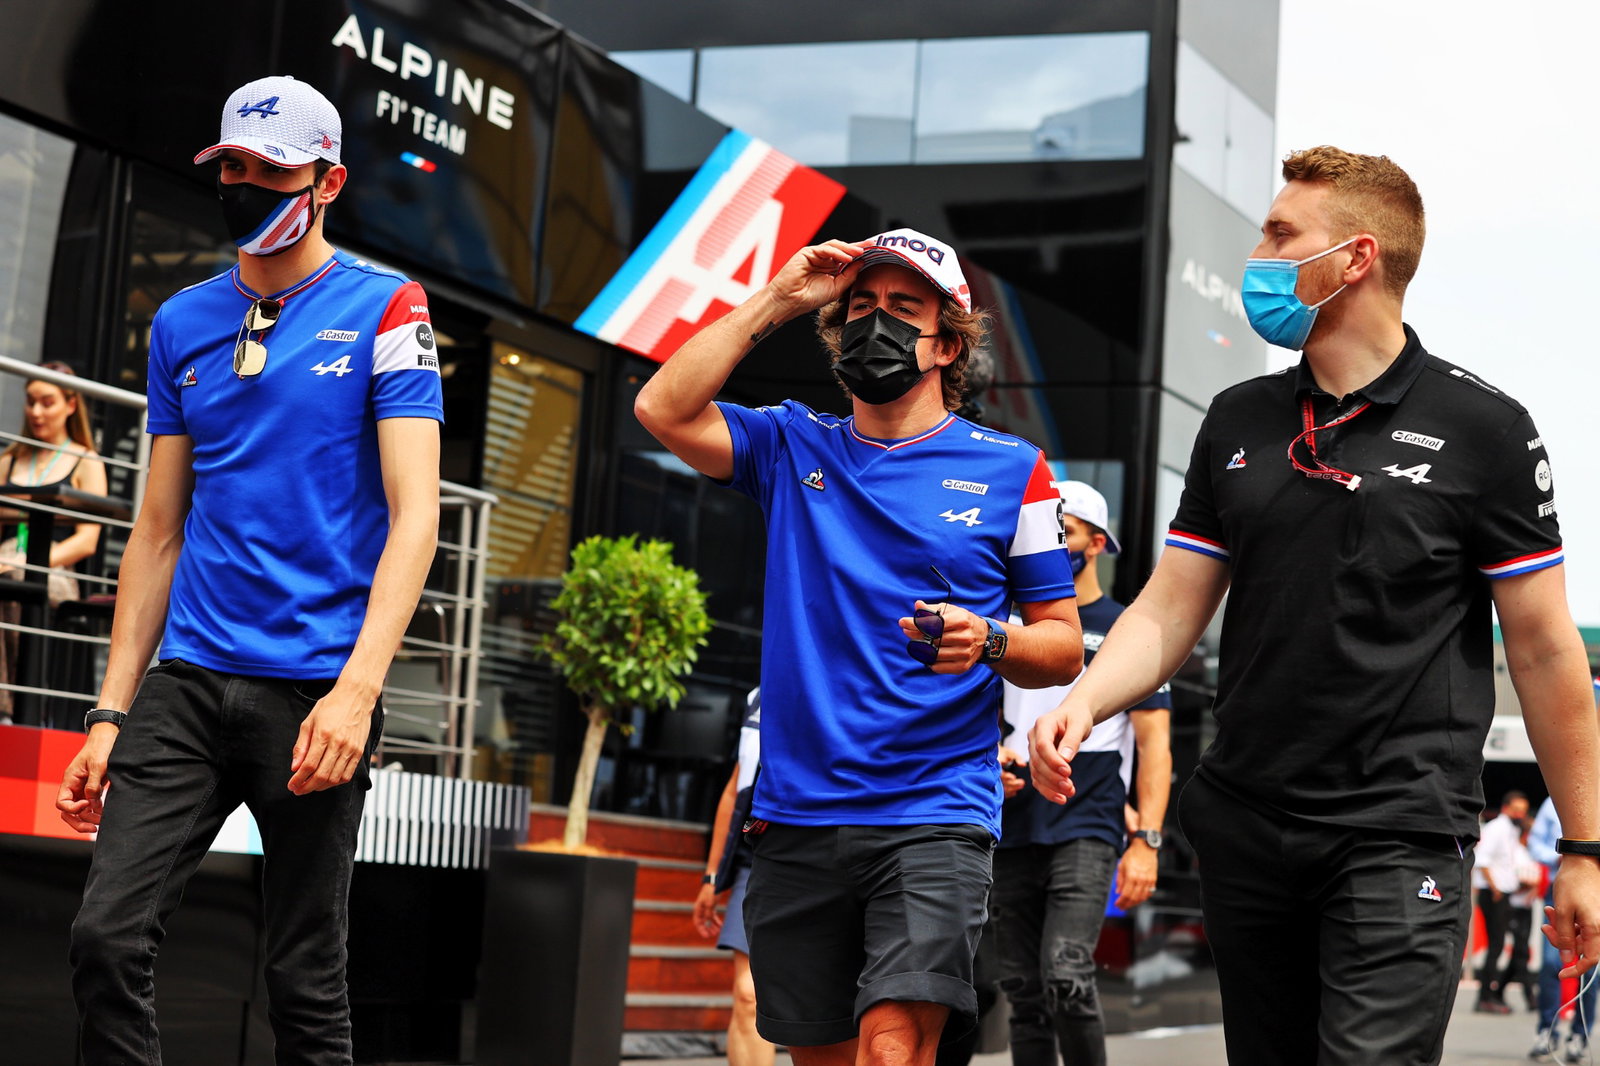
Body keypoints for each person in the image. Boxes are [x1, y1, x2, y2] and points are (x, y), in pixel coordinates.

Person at [1026, 145, 1600, 1066]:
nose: (1260, 252)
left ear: (1356, 258)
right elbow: (1171, 607)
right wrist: (1084, 701)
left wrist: (1585, 849)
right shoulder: (1237, 418)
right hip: (1247, 827)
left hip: (1397, 833)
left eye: (1281, 233)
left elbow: (1542, 651)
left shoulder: (1486, 428)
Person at [55, 75, 442, 1065]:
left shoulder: (388, 307)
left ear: (327, 181)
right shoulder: (183, 320)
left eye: (271, 170)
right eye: (231, 164)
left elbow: (415, 518)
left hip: (315, 689)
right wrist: (108, 711)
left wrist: (357, 695)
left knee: (303, 979)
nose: (245, 184)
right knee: (105, 935)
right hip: (186, 682)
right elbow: (153, 532)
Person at [635, 227, 1083, 1066]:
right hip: (798, 815)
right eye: (861, 309)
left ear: (947, 341)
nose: (875, 324)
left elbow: (1062, 646)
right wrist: (777, 299)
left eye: (903, 310)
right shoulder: (791, 441)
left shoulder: (1013, 468)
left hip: (933, 811)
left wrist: (990, 639)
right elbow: (662, 408)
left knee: (889, 1051)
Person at [990, 480, 1171, 1066]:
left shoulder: (1126, 630)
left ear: (1095, 543)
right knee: (1022, 989)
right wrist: (991, 760)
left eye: (1060, 533)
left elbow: (1155, 744)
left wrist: (1145, 841)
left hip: (1087, 818)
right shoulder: (1008, 621)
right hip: (1011, 819)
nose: (1047, 544)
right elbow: (974, 717)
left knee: (1065, 974)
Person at [0, 363, 108, 721]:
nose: (36, 412)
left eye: (47, 402)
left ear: (71, 405)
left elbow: (87, 542)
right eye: (30, 402)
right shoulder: (10, 458)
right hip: (6, 560)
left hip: (54, 567)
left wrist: (27, 563)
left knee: (13, 585)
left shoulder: (85, 460)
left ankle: (7, 709)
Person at [693, 688, 776, 1066]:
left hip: (822, 850)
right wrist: (711, 878)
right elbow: (734, 789)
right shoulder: (758, 697)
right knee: (747, 994)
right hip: (755, 857)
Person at [1531, 781, 1600, 1062]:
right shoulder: (1555, 800)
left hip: (1595, 890)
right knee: (1550, 962)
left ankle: (1579, 1036)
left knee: (1591, 967)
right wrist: (1569, 857)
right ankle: (1546, 1030)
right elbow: (1537, 843)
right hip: (1558, 887)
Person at [1476, 790, 1533, 1013]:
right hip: (1495, 893)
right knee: (1496, 944)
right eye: (1517, 810)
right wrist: (1496, 889)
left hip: (1504, 892)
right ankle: (1485, 997)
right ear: (1506, 807)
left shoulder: (1510, 830)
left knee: (1501, 945)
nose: (1520, 814)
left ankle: (1490, 995)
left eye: (1523, 811)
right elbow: (1483, 860)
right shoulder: (1497, 828)